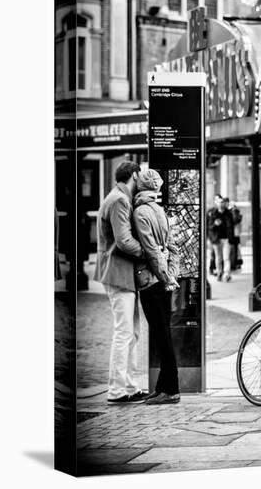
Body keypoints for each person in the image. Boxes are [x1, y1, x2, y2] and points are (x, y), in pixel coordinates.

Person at [94, 161, 148, 404]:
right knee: (124, 332)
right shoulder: (119, 200)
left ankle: (130, 386)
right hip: (117, 274)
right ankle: (117, 391)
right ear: (134, 175)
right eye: (140, 177)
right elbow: (124, 241)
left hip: (122, 274)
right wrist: (149, 252)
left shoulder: (117, 197)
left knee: (132, 333)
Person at [132, 169, 181, 405]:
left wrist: (164, 277)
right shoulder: (159, 211)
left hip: (151, 282)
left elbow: (151, 250)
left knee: (162, 336)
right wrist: (171, 275)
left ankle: (171, 389)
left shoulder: (140, 212)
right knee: (164, 334)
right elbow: (173, 247)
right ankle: (163, 386)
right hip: (163, 281)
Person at [207, 194, 234, 281]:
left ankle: (227, 274)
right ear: (216, 204)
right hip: (216, 239)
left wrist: (231, 238)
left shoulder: (228, 213)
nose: (221, 204)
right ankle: (219, 273)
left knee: (226, 257)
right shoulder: (213, 213)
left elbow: (232, 225)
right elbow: (209, 226)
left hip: (226, 238)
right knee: (218, 257)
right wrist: (215, 224)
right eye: (219, 202)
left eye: (222, 202)